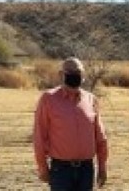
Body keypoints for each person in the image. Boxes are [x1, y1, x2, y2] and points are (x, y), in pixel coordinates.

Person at [33, 57, 109, 190]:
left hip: (86, 170)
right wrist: (42, 167)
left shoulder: (91, 100)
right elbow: (40, 136)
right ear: (61, 75)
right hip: (61, 170)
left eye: (78, 72)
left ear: (83, 75)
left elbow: (100, 137)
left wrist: (102, 167)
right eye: (70, 71)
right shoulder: (49, 99)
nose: (74, 75)